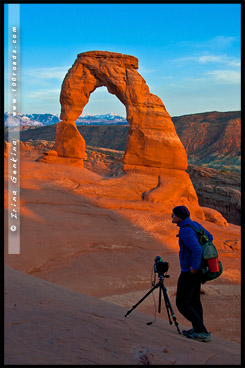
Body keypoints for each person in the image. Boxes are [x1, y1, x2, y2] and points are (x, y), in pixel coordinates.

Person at [171, 205, 213, 342]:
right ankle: (198, 330)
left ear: (179, 217)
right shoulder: (195, 224)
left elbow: (196, 249)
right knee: (195, 301)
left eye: (173, 215)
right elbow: (210, 237)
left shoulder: (185, 230)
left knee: (182, 303)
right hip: (199, 269)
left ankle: (202, 331)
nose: (171, 217)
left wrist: (194, 266)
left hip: (190, 271)